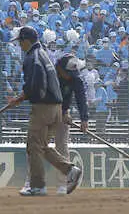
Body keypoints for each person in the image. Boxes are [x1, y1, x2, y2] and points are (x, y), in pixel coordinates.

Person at [8, 26, 81, 197]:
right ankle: (70, 170)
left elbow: (36, 84)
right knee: (41, 146)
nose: (19, 45)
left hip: (43, 107)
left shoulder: (32, 57)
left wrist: (20, 98)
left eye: (20, 42)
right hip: (56, 108)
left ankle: (38, 185)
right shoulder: (43, 54)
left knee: (33, 146)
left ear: (26, 40)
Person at [53, 55, 88, 195]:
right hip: (46, 110)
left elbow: (81, 98)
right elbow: (45, 95)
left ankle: (63, 182)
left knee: (61, 145)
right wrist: (60, 111)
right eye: (69, 73)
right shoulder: (51, 75)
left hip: (63, 113)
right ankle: (33, 182)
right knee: (36, 144)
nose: (72, 76)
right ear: (60, 69)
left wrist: (84, 119)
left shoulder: (76, 78)